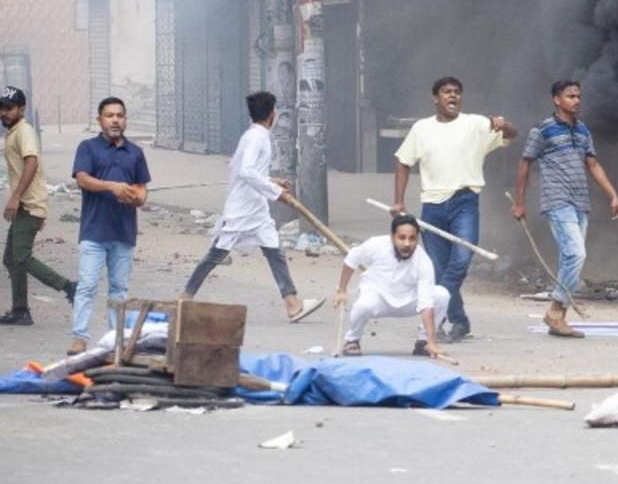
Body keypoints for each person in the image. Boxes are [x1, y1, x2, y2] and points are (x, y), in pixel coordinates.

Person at [393, 76, 516, 342]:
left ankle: (433, 314)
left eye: (457, 92)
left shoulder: (475, 124)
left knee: (460, 260)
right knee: (440, 267)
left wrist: (502, 124)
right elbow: (403, 162)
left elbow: (511, 135)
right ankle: (459, 322)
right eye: (447, 92)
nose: (453, 96)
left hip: (465, 202)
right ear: (435, 98)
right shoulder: (421, 128)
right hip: (432, 207)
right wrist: (399, 202)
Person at [180, 92, 321, 322]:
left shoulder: (252, 135)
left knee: (275, 253)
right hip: (242, 209)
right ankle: (185, 297)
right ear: (272, 114)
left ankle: (292, 304)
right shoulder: (258, 137)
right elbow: (245, 171)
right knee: (216, 254)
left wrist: (271, 181)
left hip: (256, 209)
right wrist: (277, 194)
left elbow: (242, 168)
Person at [513, 79, 618, 339]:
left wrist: (612, 195)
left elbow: (593, 165)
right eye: (570, 96)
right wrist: (519, 202)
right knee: (576, 254)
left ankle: (558, 317)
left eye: (578, 96)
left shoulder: (583, 131)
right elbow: (525, 163)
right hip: (557, 200)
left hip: (580, 202)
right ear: (556, 100)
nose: (576, 100)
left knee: (569, 258)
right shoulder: (543, 130)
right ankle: (555, 309)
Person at [66, 98, 150, 354]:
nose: (115, 120)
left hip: (123, 233)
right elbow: (83, 179)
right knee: (87, 285)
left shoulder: (135, 153)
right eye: (109, 115)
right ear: (99, 120)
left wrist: (136, 196)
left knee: (119, 290)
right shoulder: (88, 148)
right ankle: (80, 337)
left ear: (125, 120)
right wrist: (112, 186)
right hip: (94, 232)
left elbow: (143, 190)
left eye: (119, 115)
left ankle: (117, 340)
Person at [0, 87, 75, 327]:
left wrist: (15, 197)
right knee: (11, 259)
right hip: (27, 204)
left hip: (28, 204)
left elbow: (31, 163)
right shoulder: (13, 131)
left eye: (9, 108)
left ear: (21, 109)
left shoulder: (25, 132)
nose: (4, 113)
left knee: (20, 258)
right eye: (1, 108)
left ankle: (68, 286)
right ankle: (20, 310)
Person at [336, 216, 448, 358]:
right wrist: (341, 290)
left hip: (408, 301)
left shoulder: (423, 260)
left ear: (417, 239)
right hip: (377, 298)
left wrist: (432, 342)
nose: (407, 244)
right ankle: (352, 340)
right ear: (392, 237)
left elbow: (426, 304)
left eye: (412, 238)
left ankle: (423, 342)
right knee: (362, 307)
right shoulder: (376, 245)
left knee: (442, 295)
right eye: (402, 238)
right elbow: (352, 260)